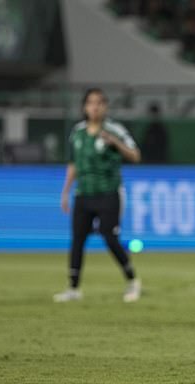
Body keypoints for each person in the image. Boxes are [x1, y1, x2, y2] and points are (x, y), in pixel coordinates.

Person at [54, 88, 143, 303]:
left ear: (105, 107)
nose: (95, 107)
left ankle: (132, 281)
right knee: (77, 239)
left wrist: (116, 143)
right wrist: (65, 192)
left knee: (109, 236)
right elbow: (73, 164)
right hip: (83, 193)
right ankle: (73, 288)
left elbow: (135, 155)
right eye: (91, 103)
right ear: (85, 107)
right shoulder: (77, 132)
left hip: (109, 193)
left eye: (99, 103)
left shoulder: (115, 130)